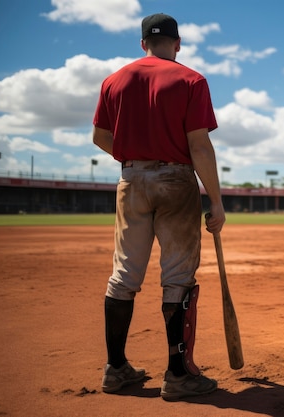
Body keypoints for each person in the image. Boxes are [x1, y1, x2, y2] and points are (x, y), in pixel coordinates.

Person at [92, 12, 226, 401]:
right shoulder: (191, 79)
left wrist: (136, 156)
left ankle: (116, 369)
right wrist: (215, 201)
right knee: (177, 276)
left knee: (123, 275)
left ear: (142, 44)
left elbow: (100, 135)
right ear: (177, 43)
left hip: (130, 180)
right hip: (175, 180)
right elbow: (199, 144)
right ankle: (178, 375)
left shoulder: (114, 80)